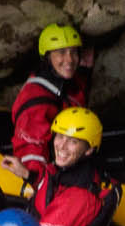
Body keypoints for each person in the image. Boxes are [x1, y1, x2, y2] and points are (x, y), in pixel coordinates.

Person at [28, 107, 118, 226]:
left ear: (89, 149)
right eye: (60, 136)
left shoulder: (78, 196)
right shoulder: (59, 171)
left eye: (73, 141)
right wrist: (29, 175)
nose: (62, 146)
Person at [6, 22, 94, 181]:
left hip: (74, 152)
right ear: (47, 57)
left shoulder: (70, 81)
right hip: (52, 161)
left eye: (73, 52)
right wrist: (35, 178)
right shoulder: (35, 99)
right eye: (61, 52)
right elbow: (32, 147)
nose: (69, 59)